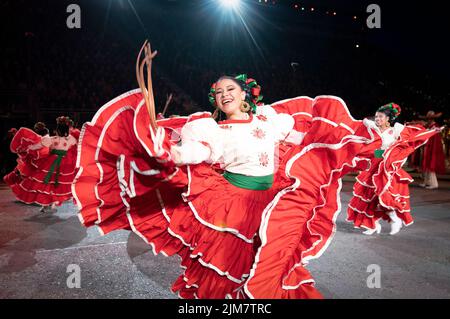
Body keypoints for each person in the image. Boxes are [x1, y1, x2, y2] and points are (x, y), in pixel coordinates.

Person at [73, 41, 440, 299]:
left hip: (272, 199)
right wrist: (161, 147)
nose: (223, 94)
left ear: (246, 94)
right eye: (217, 92)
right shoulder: (208, 128)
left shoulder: (269, 118)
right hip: (233, 205)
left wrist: (355, 143)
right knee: (231, 267)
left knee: (272, 263)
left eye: (229, 88)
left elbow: (306, 137)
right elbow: (190, 153)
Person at [347, 104, 442, 235]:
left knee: (386, 194)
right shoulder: (373, 130)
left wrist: (431, 131)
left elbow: (412, 137)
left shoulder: (396, 130)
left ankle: (394, 219)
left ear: (388, 118)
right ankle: (372, 225)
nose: (377, 119)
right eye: (376, 116)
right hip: (374, 167)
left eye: (380, 116)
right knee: (368, 196)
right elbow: (371, 149)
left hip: (388, 169)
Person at [4, 116, 78, 213]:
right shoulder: (72, 139)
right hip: (66, 164)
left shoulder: (51, 139)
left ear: (57, 130)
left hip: (51, 162)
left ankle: (46, 204)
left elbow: (37, 146)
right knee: (58, 184)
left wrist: (28, 147)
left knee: (45, 183)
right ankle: (53, 202)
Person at [418, 111, 446, 189]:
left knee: (431, 165)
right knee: (426, 165)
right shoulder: (429, 126)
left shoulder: (435, 126)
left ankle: (434, 184)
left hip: (431, 149)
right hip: (427, 147)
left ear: (432, 119)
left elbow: (435, 140)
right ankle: (426, 182)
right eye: (428, 118)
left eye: (430, 118)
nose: (428, 120)